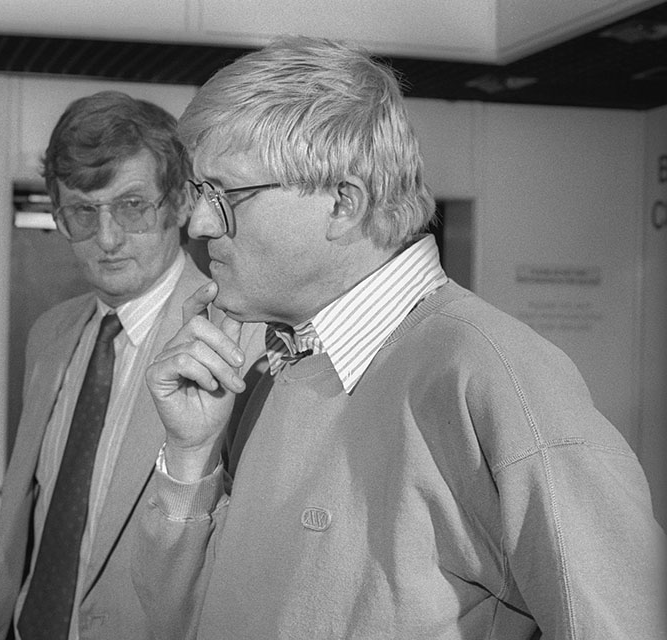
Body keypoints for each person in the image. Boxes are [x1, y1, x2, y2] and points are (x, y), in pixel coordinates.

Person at [136, 36, 666, 639]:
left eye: (225, 195)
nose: (200, 224)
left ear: (342, 203)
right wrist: (189, 455)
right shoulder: (268, 368)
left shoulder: (491, 374)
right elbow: (181, 621)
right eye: (200, 195)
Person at [0, 90, 262, 640]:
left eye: (131, 206)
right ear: (57, 215)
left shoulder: (237, 339)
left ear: (176, 204)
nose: (107, 238)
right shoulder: (50, 334)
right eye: (82, 211)